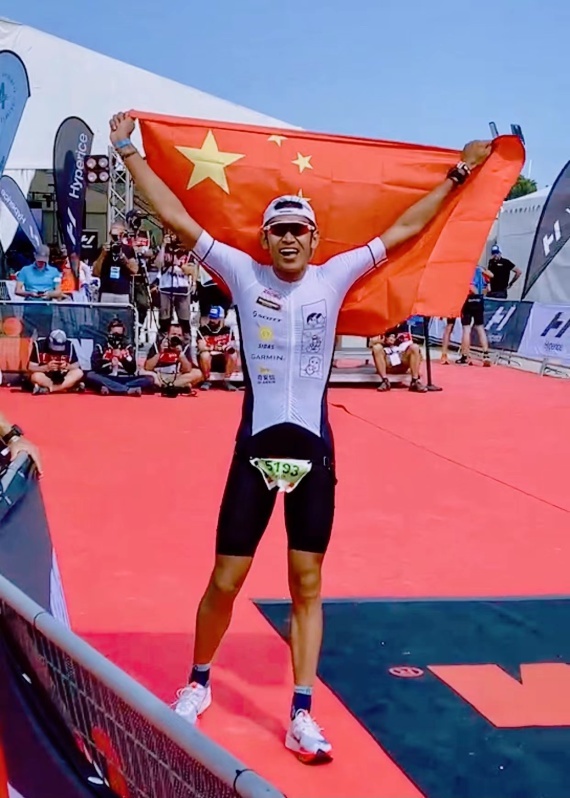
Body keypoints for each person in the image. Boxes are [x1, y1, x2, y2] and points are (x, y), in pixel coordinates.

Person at [109, 110, 491, 763]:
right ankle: (198, 683)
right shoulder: (241, 272)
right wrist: (128, 153)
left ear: (314, 240)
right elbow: (176, 217)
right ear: (266, 238)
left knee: (306, 584)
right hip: (255, 453)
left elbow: (405, 228)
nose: (289, 240)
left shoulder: (333, 277)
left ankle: (301, 712)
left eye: (299, 231)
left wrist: (459, 172)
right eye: (279, 231)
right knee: (225, 579)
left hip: (312, 455)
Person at [86, 318, 154, 396]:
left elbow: (133, 369)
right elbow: (95, 366)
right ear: (109, 333)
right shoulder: (100, 346)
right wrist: (109, 363)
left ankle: (112, 388)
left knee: (149, 379)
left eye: (119, 335)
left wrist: (123, 359)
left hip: (125, 378)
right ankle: (126, 390)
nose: (117, 338)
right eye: (114, 334)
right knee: (90, 375)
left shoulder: (127, 347)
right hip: (107, 377)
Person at [441, 265, 493, 366]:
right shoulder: (479, 270)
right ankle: (485, 354)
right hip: (475, 300)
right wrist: (480, 295)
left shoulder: (466, 269)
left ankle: (463, 356)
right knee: (479, 327)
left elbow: (470, 286)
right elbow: (489, 286)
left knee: (462, 328)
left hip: (463, 300)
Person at [369, 322, 427, 391]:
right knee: (376, 348)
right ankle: (385, 381)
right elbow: (371, 343)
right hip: (387, 360)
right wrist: (384, 341)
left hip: (402, 358)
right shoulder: (381, 325)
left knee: (415, 347)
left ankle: (414, 381)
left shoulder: (405, 325)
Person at [92, 222, 139, 303]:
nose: (116, 238)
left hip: (122, 292)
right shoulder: (104, 249)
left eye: (119, 235)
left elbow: (135, 270)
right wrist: (102, 255)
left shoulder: (128, 249)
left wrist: (124, 258)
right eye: (113, 235)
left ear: (123, 235)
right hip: (106, 291)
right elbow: (96, 272)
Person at [28, 330, 85, 394]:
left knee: (79, 372)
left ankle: (50, 389)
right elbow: (31, 367)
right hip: (46, 376)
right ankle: (65, 388)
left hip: (63, 376)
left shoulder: (69, 345)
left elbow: (76, 365)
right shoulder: (39, 345)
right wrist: (46, 367)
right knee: (35, 376)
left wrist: (67, 366)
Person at [196, 306, 238, 391]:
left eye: (215, 318)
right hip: (209, 358)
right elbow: (201, 347)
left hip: (223, 358)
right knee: (204, 355)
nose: (212, 320)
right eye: (211, 317)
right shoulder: (203, 330)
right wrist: (216, 347)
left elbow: (232, 347)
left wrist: (224, 348)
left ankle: (227, 380)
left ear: (221, 318)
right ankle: (207, 380)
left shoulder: (228, 330)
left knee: (233, 354)